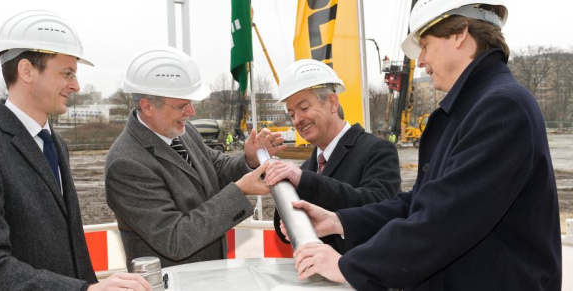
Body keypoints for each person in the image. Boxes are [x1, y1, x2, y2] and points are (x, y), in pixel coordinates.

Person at [291, 1, 562, 290]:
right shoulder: (473, 108)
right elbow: (421, 202)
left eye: (425, 45)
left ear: (459, 34)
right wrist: (340, 221)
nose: (420, 61)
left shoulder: (501, 108)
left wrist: (347, 265)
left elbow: (447, 220)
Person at [0, 11, 150, 291]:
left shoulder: (55, 144)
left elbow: (71, 248)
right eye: (67, 73)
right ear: (26, 70)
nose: (76, 85)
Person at [105, 46, 285, 268]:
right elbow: (175, 239)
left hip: (207, 276)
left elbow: (215, 169)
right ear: (147, 106)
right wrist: (240, 190)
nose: (191, 112)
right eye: (182, 105)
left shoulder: (183, 131)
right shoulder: (127, 164)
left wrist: (249, 160)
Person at [264, 59, 401, 253]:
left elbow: (380, 207)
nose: (297, 120)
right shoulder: (305, 169)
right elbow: (285, 233)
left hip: (362, 279)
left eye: (304, 108)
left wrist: (305, 181)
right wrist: (282, 191)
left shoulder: (377, 151)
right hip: (317, 278)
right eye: (292, 114)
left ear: (332, 102)